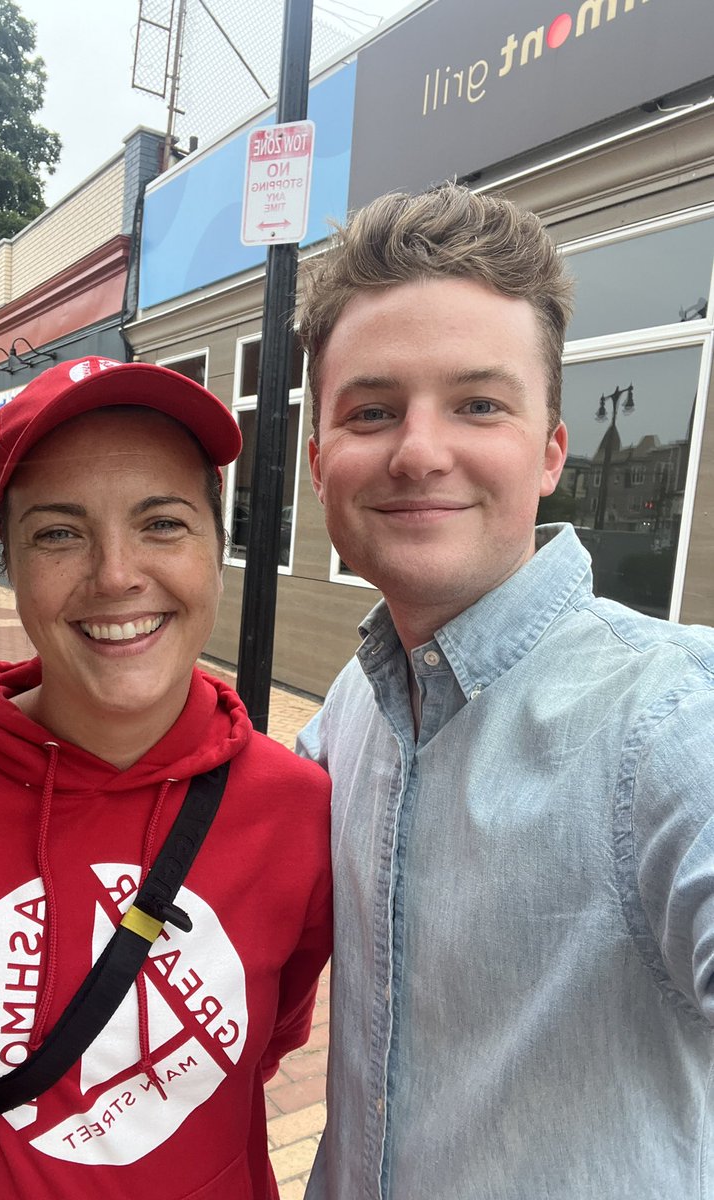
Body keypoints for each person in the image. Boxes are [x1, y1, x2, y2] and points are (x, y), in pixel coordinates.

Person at [0, 356, 332, 1200]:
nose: (116, 574)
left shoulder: (298, 811)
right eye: (58, 533)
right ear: (8, 562)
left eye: (163, 523)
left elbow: (256, 1050)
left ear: (218, 547)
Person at [295, 183, 714, 1199]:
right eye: (373, 410)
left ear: (550, 454)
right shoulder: (353, 708)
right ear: (319, 463)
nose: (421, 449)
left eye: (479, 404)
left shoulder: (667, 716)